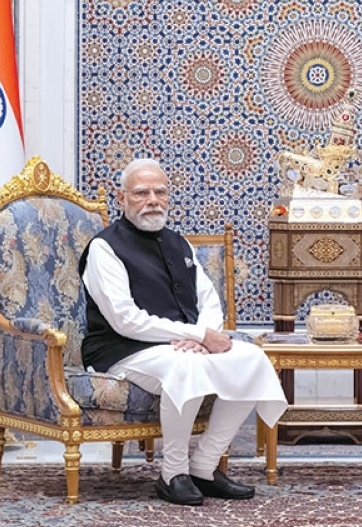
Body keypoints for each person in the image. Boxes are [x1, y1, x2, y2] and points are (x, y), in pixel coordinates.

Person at [79, 158, 288, 506]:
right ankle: (172, 473)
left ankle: (204, 467)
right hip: (122, 351)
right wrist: (197, 336)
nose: (153, 200)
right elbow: (125, 319)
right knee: (185, 367)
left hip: (181, 346)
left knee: (251, 358)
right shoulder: (105, 248)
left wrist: (204, 336)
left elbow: (208, 299)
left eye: (160, 192)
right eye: (141, 193)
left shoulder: (180, 244)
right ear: (122, 198)